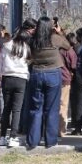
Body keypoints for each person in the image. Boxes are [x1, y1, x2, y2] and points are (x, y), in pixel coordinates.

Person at [25, 18, 72, 149]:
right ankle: (50, 140)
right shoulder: (55, 39)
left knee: (36, 108)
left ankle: (33, 140)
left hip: (36, 73)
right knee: (52, 108)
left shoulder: (32, 40)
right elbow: (68, 46)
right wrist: (60, 32)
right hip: (53, 74)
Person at [0, 20, 33, 148]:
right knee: (16, 109)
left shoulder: (5, 46)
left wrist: (2, 76)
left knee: (6, 108)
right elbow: (28, 63)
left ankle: (2, 137)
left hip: (7, 78)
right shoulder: (26, 48)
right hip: (21, 78)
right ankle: (13, 137)